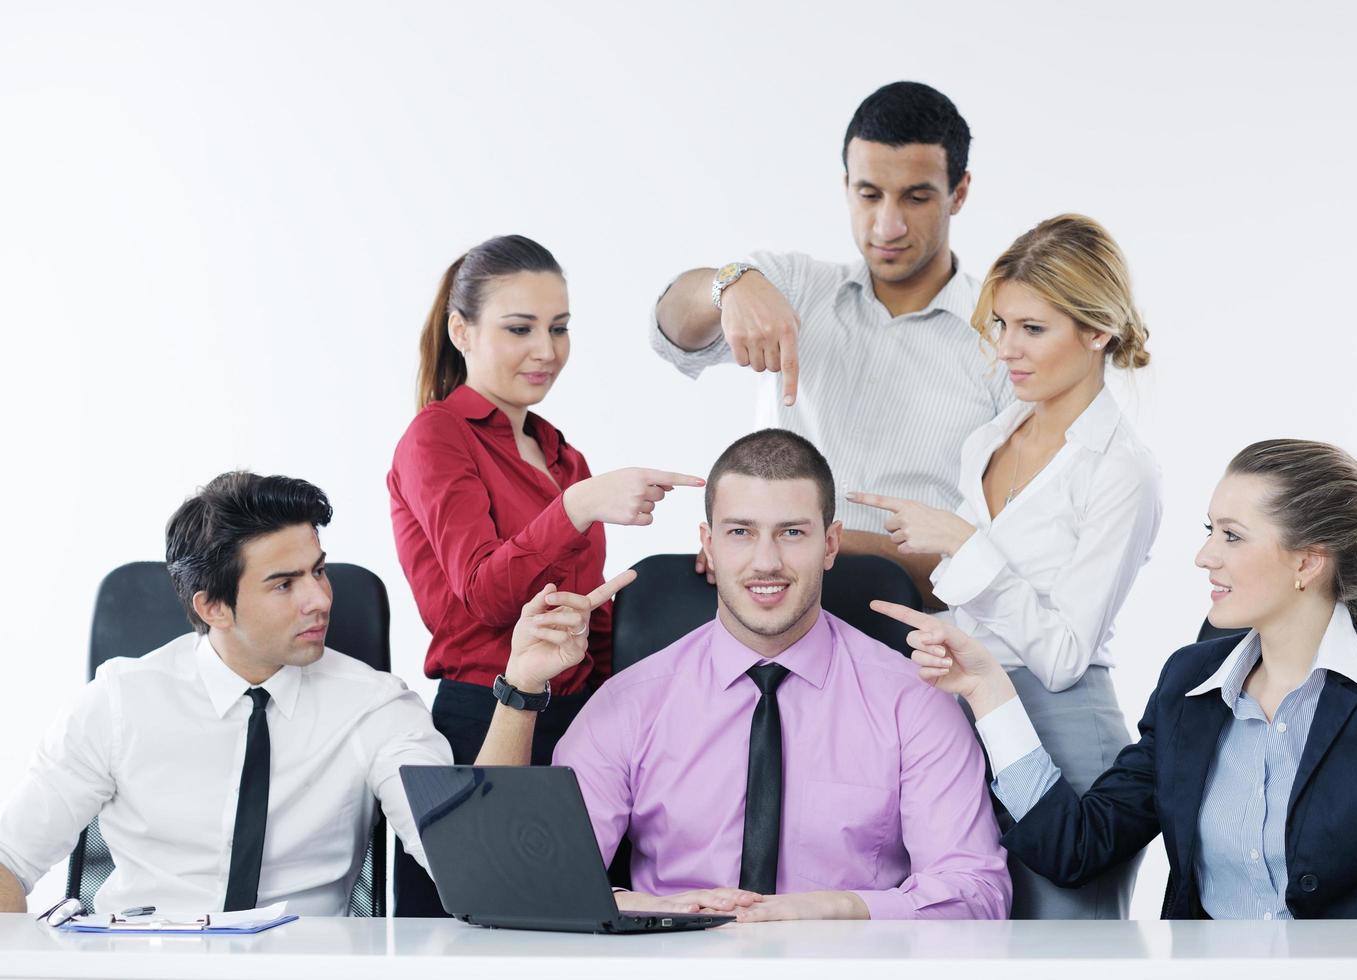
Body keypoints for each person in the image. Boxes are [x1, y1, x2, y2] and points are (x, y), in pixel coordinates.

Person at [874, 440, 1357, 918]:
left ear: (1308, 562)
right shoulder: (1190, 684)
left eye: (1232, 536)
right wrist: (989, 689)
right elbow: (1077, 847)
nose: (1205, 555)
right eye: (1210, 531)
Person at [478, 429, 1011, 920]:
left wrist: (840, 911)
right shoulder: (631, 703)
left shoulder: (913, 702)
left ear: (830, 544)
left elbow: (978, 894)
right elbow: (511, 882)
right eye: (740, 532)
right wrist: (656, 909)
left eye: (792, 533)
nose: (766, 561)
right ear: (709, 544)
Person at [848, 214, 1159, 918]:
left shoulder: (1121, 471)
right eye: (998, 325)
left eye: (1032, 329)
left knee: (1064, 957)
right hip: (960, 717)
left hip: (1062, 736)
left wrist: (964, 545)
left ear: (1097, 331)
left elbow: (1061, 656)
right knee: (960, 943)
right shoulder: (989, 438)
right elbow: (971, 600)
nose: (1006, 350)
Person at [388, 234, 702, 914]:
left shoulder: (563, 456)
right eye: (520, 328)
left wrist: (718, 565)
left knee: (584, 927)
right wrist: (578, 506)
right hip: (487, 717)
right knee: (483, 932)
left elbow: (582, 610)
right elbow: (484, 592)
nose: (547, 350)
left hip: (583, 723)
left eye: (559, 328)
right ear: (460, 330)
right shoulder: (436, 437)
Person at [0, 472, 456, 915]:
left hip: (303, 963)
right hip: (141, 960)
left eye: (319, 571)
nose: (319, 599)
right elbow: (9, 860)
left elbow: (459, 858)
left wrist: (518, 691)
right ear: (213, 607)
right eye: (284, 584)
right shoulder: (118, 701)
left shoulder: (375, 706)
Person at [650, 81, 1012, 603]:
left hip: (909, 637)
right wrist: (727, 283)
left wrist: (817, 545)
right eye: (869, 195)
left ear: (959, 192)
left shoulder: (1004, 344)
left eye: (916, 197)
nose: (887, 225)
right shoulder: (795, 286)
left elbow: (990, 557)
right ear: (847, 185)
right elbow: (669, 332)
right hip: (768, 618)